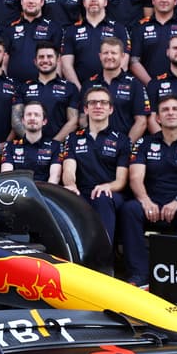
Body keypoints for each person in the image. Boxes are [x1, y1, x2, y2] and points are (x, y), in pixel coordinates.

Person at [118, 94, 177, 287]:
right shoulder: (143, 143)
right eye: (165, 110)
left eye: (175, 109)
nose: (170, 113)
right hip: (150, 201)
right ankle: (139, 274)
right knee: (130, 209)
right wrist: (144, 200)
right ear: (158, 118)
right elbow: (135, 177)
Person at [61, 85, 131, 242]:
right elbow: (69, 170)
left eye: (103, 103)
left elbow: (121, 181)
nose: (98, 106)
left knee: (102, 197)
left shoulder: (122, 140)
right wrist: (71, 185)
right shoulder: (73, 138)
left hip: (111, 195)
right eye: (92, 103)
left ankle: (103, 261)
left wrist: (107, 187)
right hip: (82, 192)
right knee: (68, 197)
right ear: (85, 109)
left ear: (110, 109)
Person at [80, 37, 149, 142]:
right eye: (105, 53)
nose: (109, 56)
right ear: (100, 56)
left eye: (113, 53)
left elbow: (141, 122)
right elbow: (83, 119)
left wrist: (125, 146)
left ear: (122, 56)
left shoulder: (135, 84)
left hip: (124, 147)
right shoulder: (89, 84)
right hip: (94, 146)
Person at [60, 0, 128, 87]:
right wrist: (79, 89)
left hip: (111, 90)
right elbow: (66, 65)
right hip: (81, 90)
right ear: (84, 2)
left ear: (105, 2)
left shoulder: (119, 29)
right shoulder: (71, 30)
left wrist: (111, 87)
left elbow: (124, 61)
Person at [13, 43, 79, 143]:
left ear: (58, 60)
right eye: (41, 57)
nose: (45, 60)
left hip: (59, 148)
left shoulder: (70, 88)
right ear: (35, 61)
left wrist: (53, 144)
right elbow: (16, 120)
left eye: (49, 56)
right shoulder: (23, 88)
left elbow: (73, 121)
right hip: (28, 147)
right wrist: (32, 141)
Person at [4, 0, 62, 83]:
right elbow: (4, 61)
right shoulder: (10, 29)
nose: (31, 1)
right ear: (21, 1)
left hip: (43, 88)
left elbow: (58, 61)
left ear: (42, 2)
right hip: (14, 87)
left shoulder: (54, 28)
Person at [0, 100, 61, 183]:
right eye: (29, 114)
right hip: (17, 193)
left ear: (44, 121)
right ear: (23, 121)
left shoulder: (55, 146)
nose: (32, 118)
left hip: (44, 193)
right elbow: (6, 176)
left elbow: (55, 177)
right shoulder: (10, 147)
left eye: (36, 115)